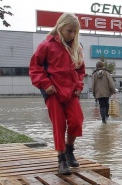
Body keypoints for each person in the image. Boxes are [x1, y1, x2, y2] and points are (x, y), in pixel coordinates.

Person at [29, 13, 85, 175]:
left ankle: (69, 150)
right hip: (53, 91)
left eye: (75, 32)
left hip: (71, 92)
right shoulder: (46, 45)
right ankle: (61, 159)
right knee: (58, 123)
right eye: (69, 31)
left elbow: (80, 70)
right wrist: (45, 84)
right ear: (60, 27)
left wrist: (79, 86)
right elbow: (34, 67)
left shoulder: (77, 47)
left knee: (76, 121)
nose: (72, 35)